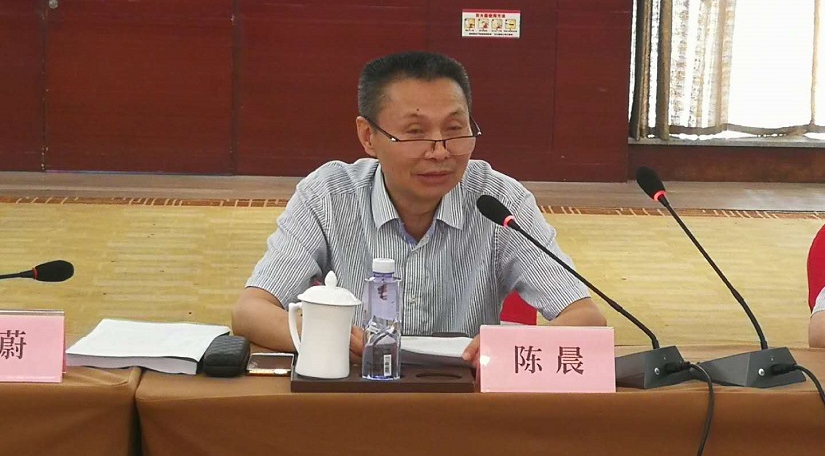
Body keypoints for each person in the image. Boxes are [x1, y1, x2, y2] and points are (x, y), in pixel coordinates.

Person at [231, 51, 606, 364]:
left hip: (467, 405)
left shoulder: (499, 201)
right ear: (368, 136)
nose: (440, 151)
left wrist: (510, 346)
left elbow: (585, 316)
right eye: (415, 132)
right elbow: (250, 311)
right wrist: (324, 334)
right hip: (357, 397)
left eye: (455, 129)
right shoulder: (329, 195)